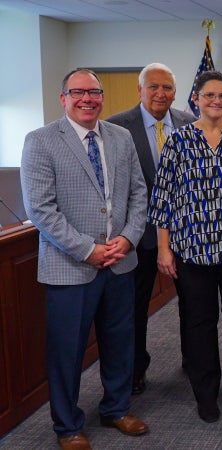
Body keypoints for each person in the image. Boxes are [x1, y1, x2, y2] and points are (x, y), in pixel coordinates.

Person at [21, 68, 149, 450]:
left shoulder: (121, 137)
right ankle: (67, 426)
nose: (87, 99)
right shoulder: (41, 141)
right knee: (67, 350)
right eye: (78, 92)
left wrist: (127, 238)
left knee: (119, 342)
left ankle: (116, 408)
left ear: (102, 97)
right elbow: (41, 210)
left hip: (119, 262)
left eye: (94, 92)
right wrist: (87, 249)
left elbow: (139, 195)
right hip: (70, 266)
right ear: (64, 98)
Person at [148, 70, 222, 423]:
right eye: (209, 96)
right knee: (199, 324)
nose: (216, 102)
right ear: (196, 99)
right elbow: (164, 197)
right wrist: (164, 248)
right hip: (193, 250)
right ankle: (206, 394)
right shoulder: (178, 141)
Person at [106, 63, 196, 394]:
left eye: (168, 88)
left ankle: (193, 359)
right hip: (138, 234)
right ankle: (136, 369)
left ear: (175, 92)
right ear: (139, 89)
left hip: (187, 234)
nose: (161, 93)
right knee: (135, 307)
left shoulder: (190, 124)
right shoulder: (116, 127)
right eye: (154, 87)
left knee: (193, 303)